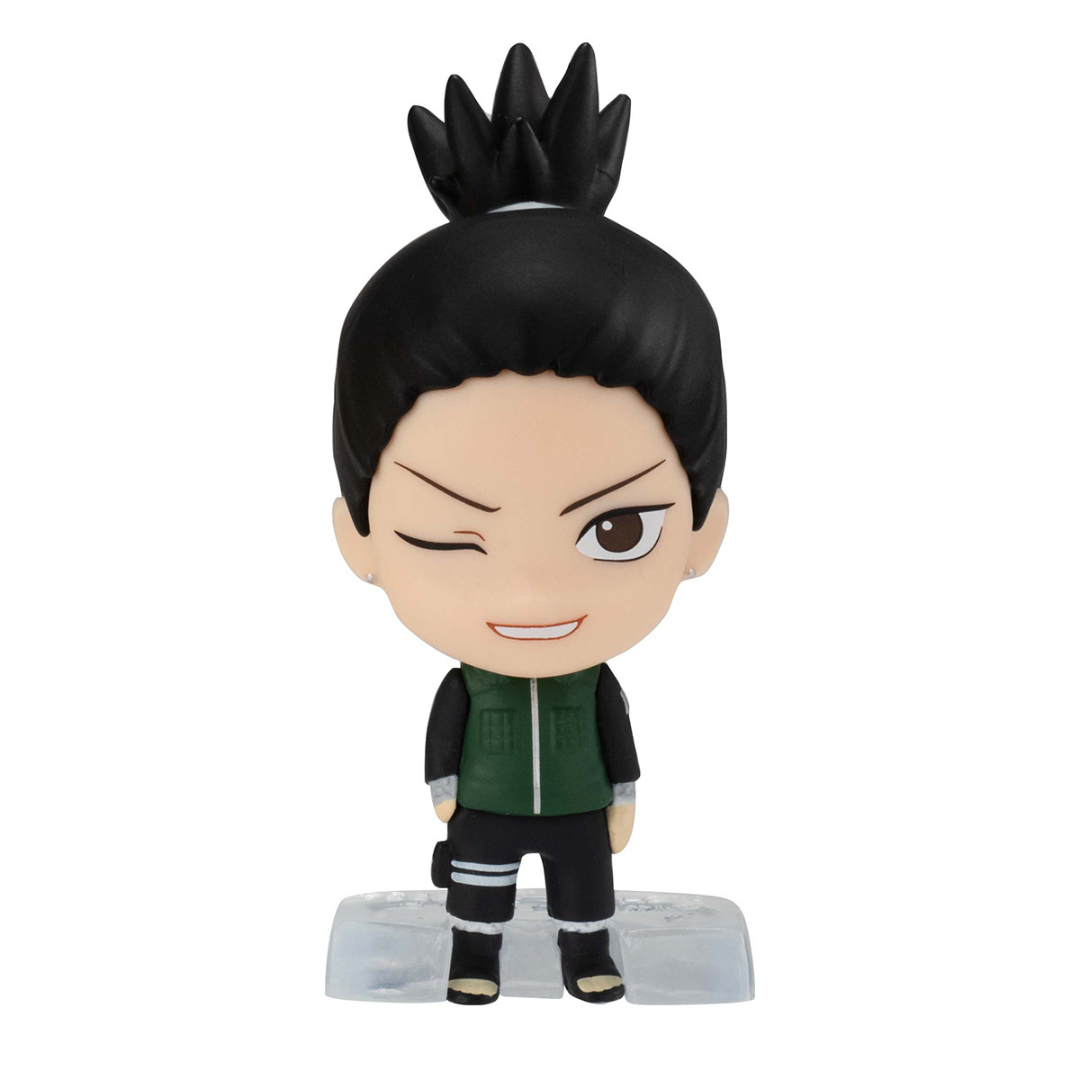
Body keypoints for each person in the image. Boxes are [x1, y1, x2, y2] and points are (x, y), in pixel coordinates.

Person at [331, 42, 728, 1004]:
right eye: (447, 536)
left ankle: (589, 955)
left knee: (586, 888)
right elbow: (444, 736)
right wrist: (444, 793)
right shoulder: (468, 685)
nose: (532, 592)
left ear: (704, 531)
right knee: (480, 887)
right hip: (485, 810)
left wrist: (624, 796)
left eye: (618, 531)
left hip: (582, 813)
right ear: (358, 538)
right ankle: (475, 957)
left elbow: (618, 740)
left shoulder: (596, 686)